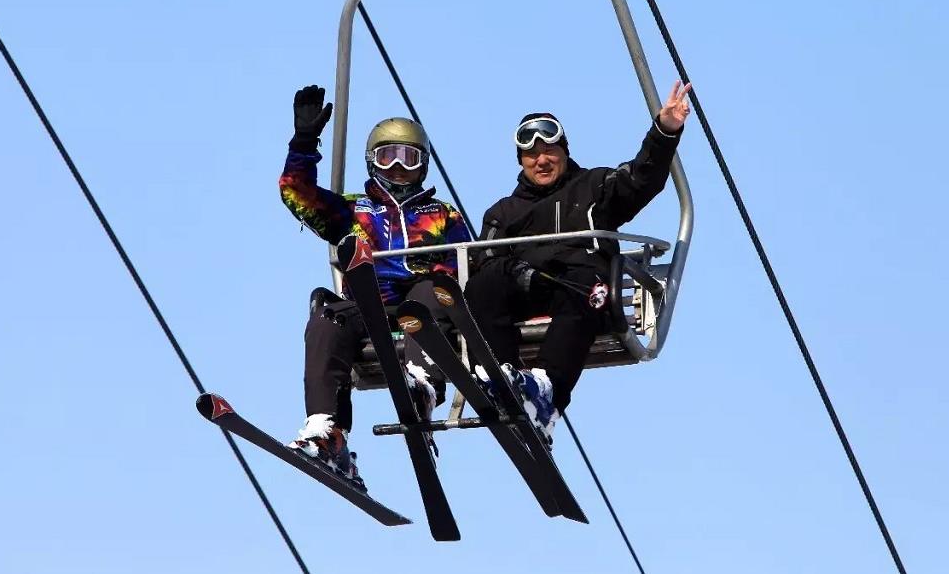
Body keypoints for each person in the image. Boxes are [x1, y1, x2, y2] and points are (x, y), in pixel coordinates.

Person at [465, 81, 691, 444]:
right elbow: (485, 260)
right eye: (531, 155)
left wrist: (664, 131)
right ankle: (503, 377)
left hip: (580, 288)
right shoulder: (503, 213)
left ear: (564, 151)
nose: (541, 160)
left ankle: (545, 391)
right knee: (482, 284)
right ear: (521, 161)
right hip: (527, 289)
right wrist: (518, 273)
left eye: (549, 150)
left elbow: (641, 179)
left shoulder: (595, 187)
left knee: (588, 282)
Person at [279, 84, 471, 489]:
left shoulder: (442, 215)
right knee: (327, 316)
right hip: (370, 308)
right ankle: (327, 429)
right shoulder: (351, 210)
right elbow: (297, 194)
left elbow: (469, 265)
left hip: (424, 307)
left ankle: (421, 385)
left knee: (424, 295)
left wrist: (437, 274)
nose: (398, 166)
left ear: (423, 165)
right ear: (373, 163)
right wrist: (304, 141)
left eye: (409, 157)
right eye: (388, 156)